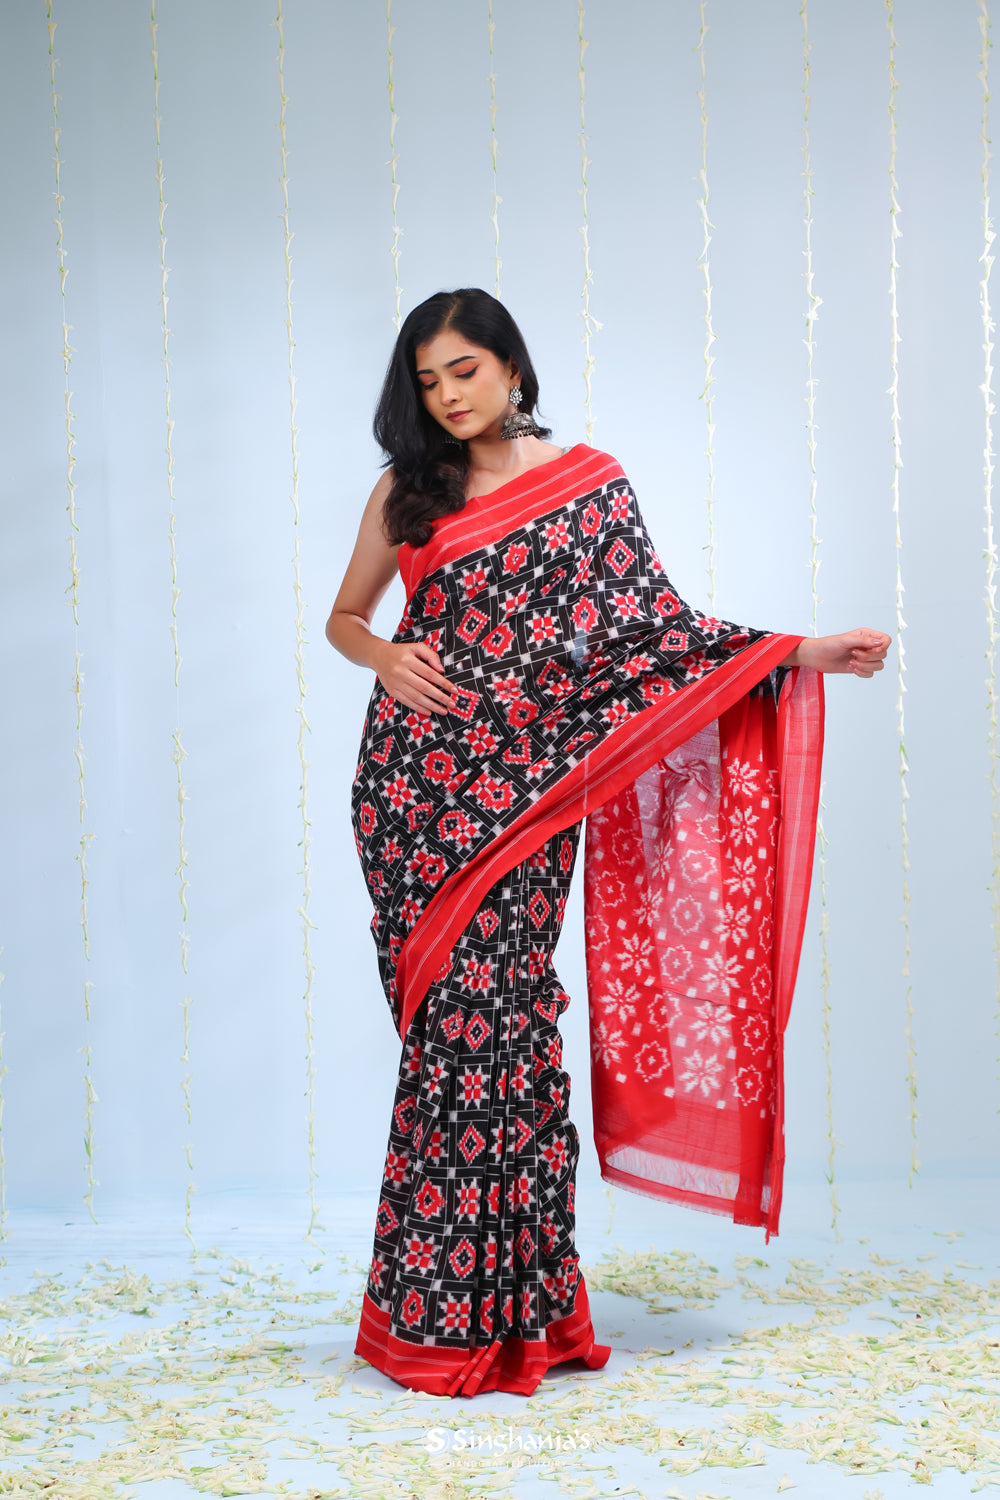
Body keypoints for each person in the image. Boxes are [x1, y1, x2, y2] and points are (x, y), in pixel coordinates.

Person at [327, 287, 890, 1398]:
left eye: (464, 371)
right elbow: (346, 617)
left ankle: (522, 1315)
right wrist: (383, 657)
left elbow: (653, 638)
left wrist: (798, 652)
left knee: (510, 1026)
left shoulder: (589, 484)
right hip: (413, 791)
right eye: (428, 381)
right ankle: (437, 1322)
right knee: (454, 1039)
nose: (447, 397)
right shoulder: (407, 490)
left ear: (512, 368)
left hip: (532, 797)